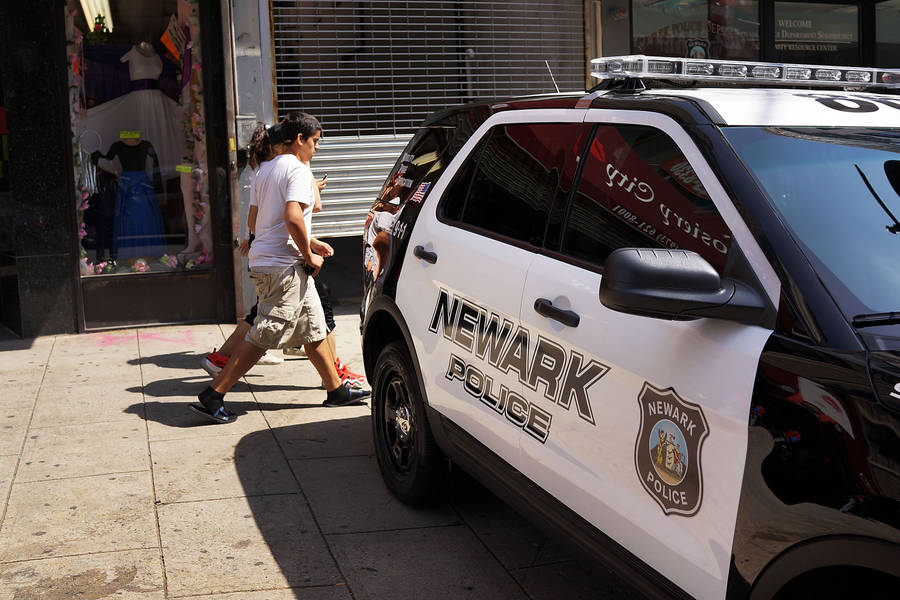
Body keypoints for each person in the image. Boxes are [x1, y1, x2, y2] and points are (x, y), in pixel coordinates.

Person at [191, 112, 370, 424]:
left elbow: (262, 221)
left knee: (313, 327)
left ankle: (335, 389)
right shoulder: (298, 170)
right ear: (299, 140)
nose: (316, 149)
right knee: (264, 335)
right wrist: (309, 254)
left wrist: (309, 243)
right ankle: (213, 395)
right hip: (282, 267)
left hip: (272, 260)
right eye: (314, 142)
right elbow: (292, 217)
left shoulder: (265, 169)